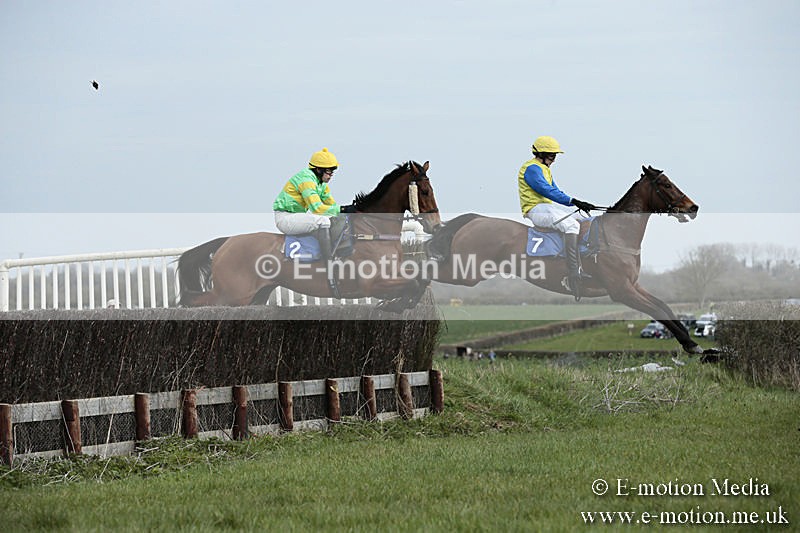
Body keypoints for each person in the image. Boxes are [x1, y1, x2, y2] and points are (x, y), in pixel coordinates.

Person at [518, 135, 598, 299]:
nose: (554, 159)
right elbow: (546, 190)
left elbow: (556, 190)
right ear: (541, 154)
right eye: (552, 155)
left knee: (578, 222)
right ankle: (574, 271)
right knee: (572, 226)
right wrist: (573, 201)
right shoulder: (532, 169)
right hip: (536, 209)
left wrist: (576, 203)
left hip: (546, 207)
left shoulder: (545, 169)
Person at [273, 147, 341, 259]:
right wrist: (343, 209)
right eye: (328, 171)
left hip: (297, 216)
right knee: (323, 220)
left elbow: (332, 206)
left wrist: (350, 211)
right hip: (285, 218)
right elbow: (317, 209)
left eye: (332, 172)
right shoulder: (306, 180)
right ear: (319, 169)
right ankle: (328, 260)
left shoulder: (321, 184)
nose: (331, 175)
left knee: (332, 218)